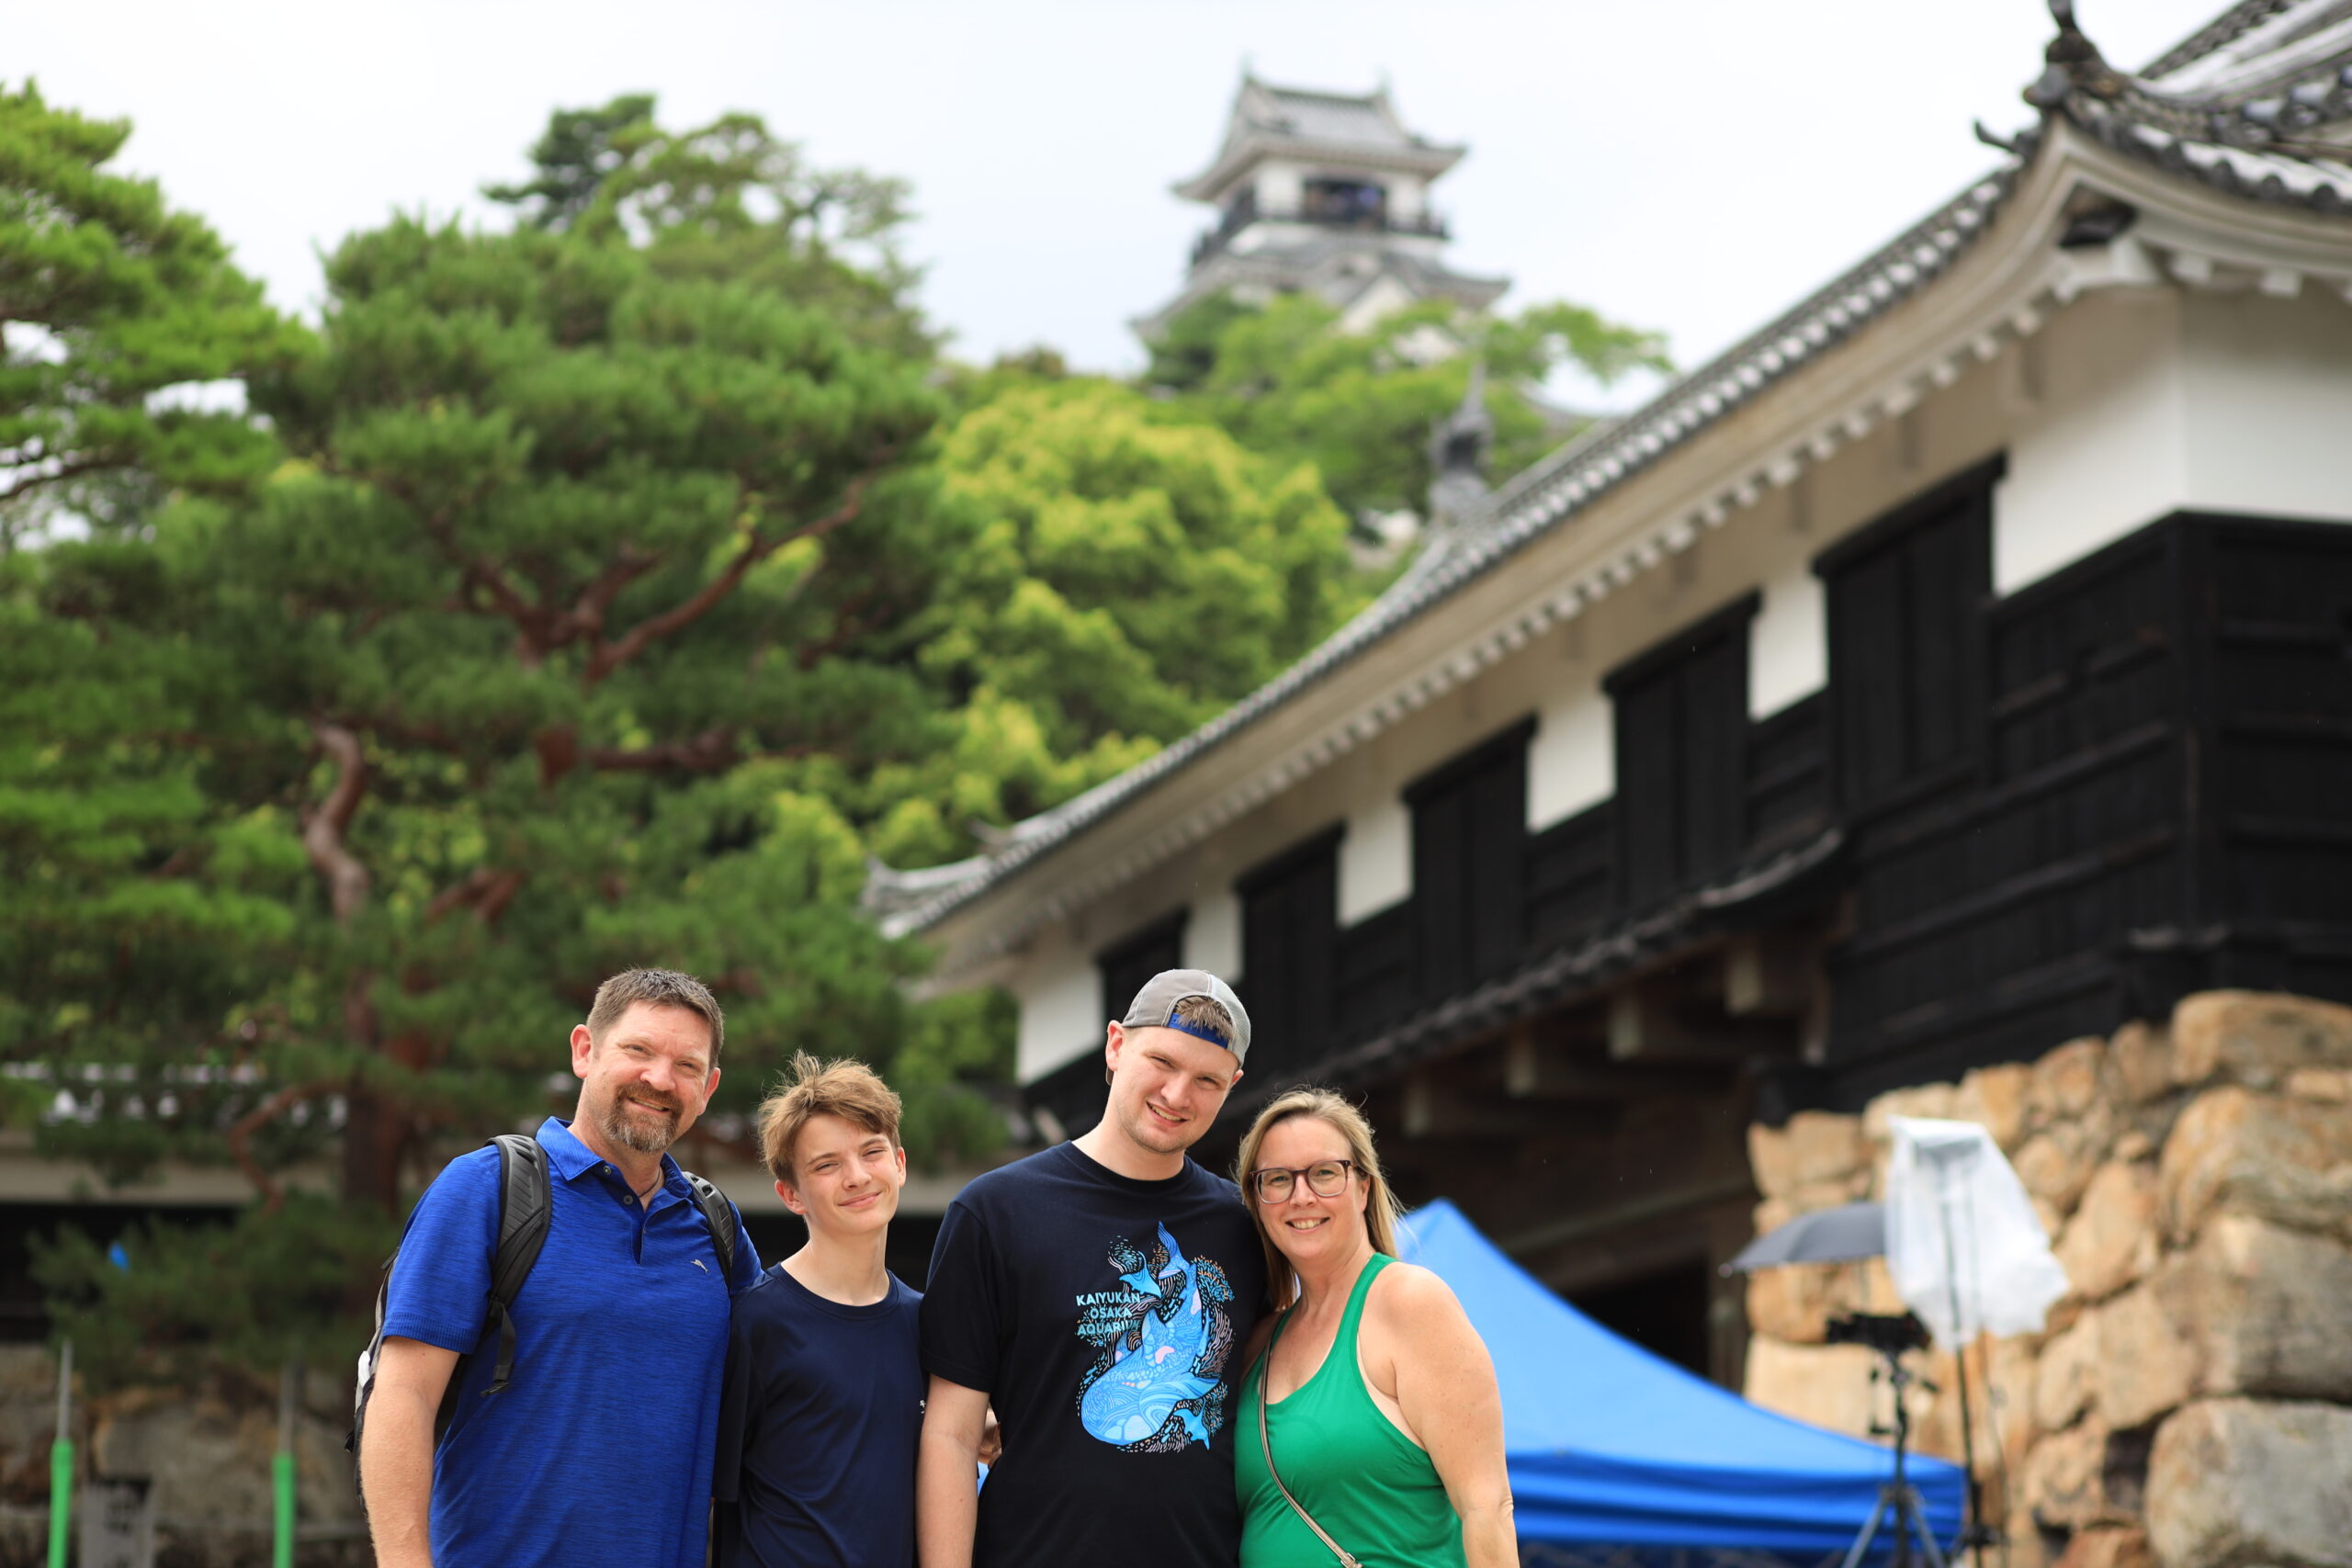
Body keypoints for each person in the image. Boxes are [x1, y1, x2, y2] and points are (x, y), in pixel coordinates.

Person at [361, 968, 762, 1568]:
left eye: (687, 1065)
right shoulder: (487, 1190)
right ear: (584, 1050)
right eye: (638, 1050)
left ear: (708, 1089)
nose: (659, 1079)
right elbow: (402, 1396)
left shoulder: (715, 1226)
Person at [916, 969, 1268, 1568]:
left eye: (1207, 1079)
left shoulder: (1246, 1227)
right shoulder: (995, 1212)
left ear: (1232, 1085)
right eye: (1163, 1061)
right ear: (1115, 1045)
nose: (1178, 1094)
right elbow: (950, 1434)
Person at [1233, 1088, 1514, 1568]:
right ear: (1258, 1201)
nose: (1302, 1196)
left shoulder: (1409, 1304)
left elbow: (1486, 1508)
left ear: (1363, 1186)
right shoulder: (1259, 1343)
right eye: (1277, 1179)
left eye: (1324, 1173)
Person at [714, 1053, 924, 1568]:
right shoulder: (756, 1321)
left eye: (872, 1153)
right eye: (826, 1165)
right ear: (791, 1195)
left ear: (899, 1164)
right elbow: (710, 1500)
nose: (856, 1177)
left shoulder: (927, 1322)